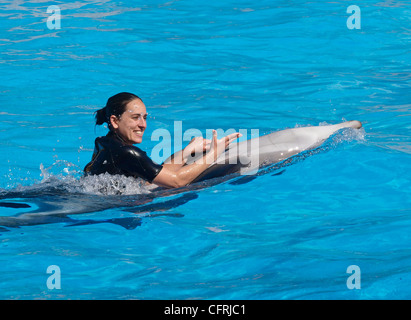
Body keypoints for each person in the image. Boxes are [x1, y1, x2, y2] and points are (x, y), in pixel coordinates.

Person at [84, 92, 241, 188]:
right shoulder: (127, 153)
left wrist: (186, 152)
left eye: (144, 118)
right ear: (115, 121)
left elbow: (152, 174)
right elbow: (176, 181)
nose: (143, 125)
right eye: (135, 118)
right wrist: (214, 154)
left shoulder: (105, 143)